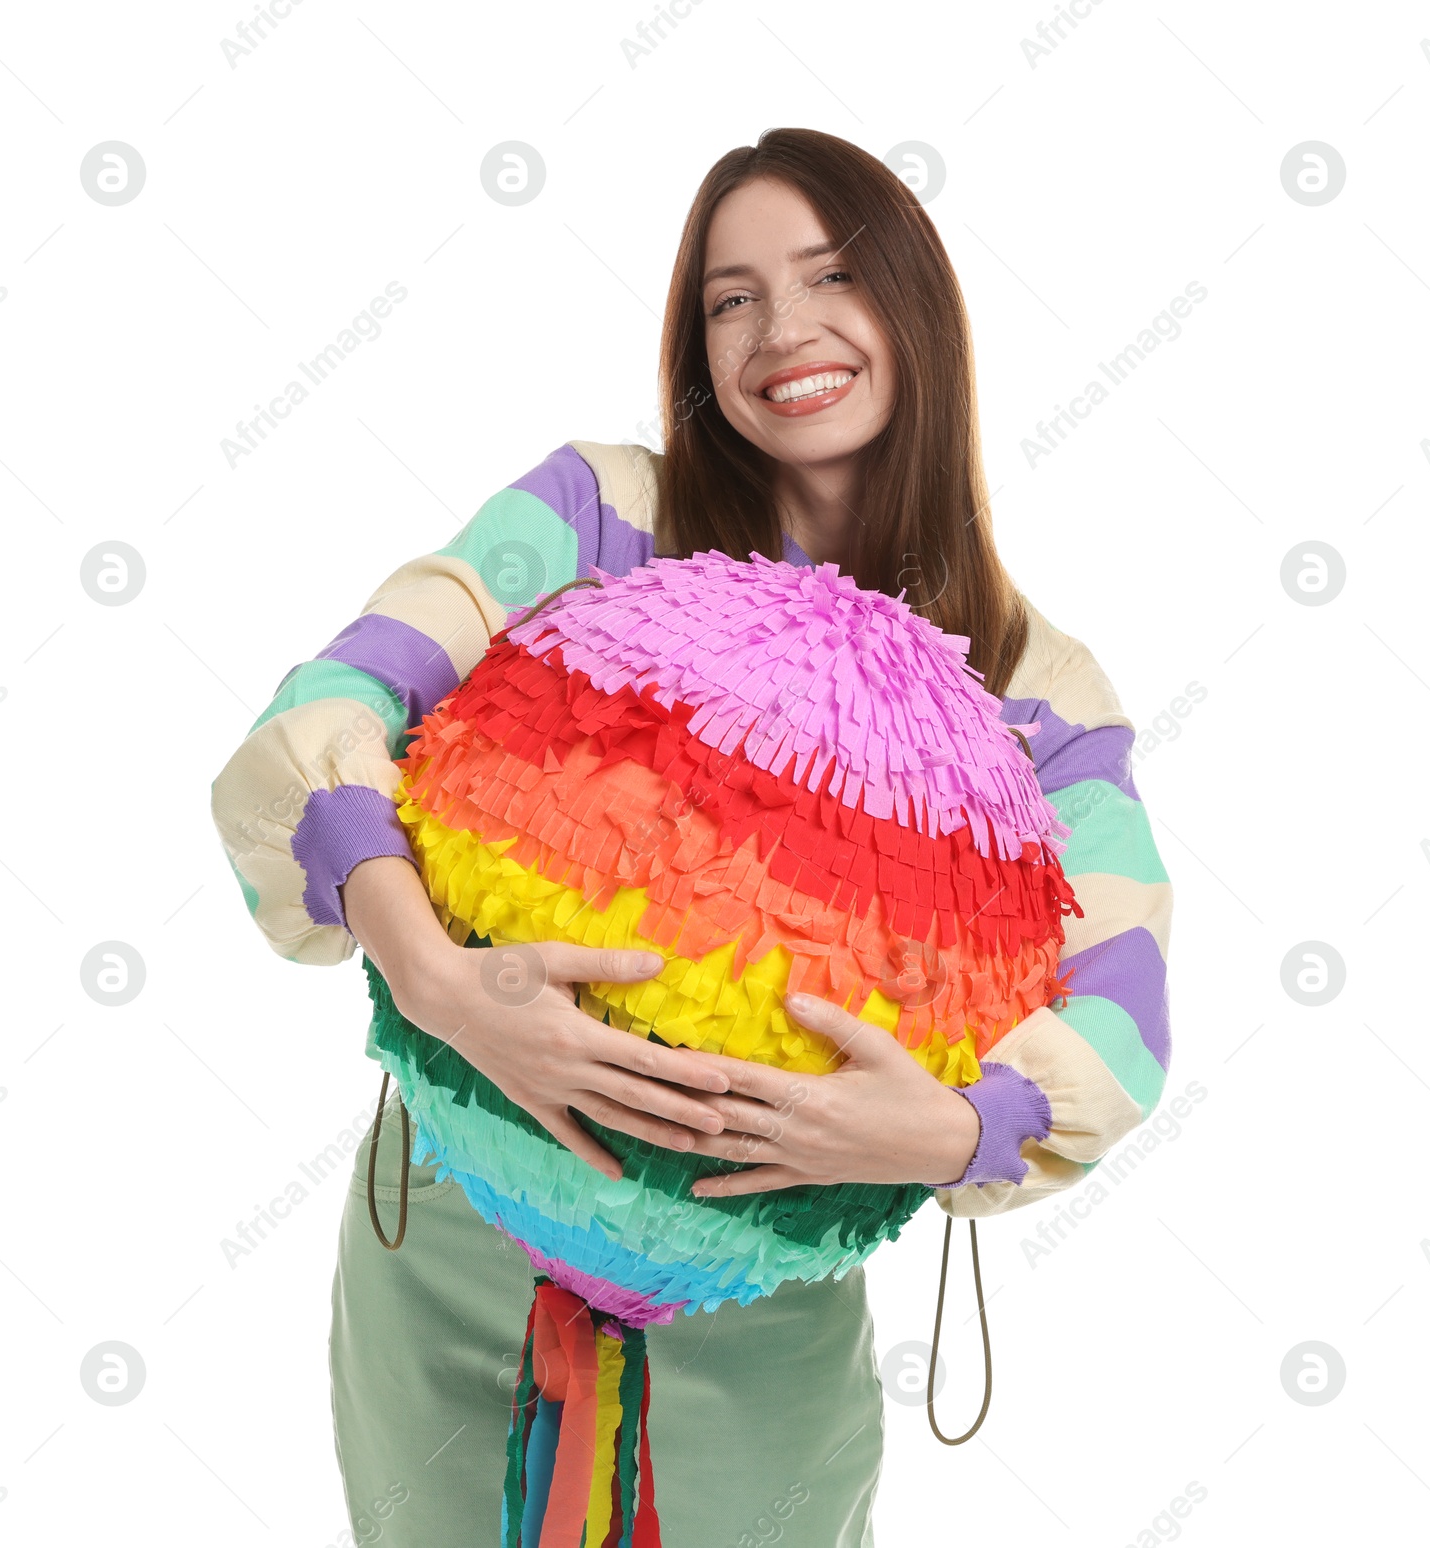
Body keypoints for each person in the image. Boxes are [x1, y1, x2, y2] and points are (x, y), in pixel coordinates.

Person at [210, 127, 1173, 1547]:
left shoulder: (1035, 694)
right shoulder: (599, 515)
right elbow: (338, 703)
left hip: (766, 1271)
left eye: (829, 275)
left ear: (916, 305)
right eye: (732, 298)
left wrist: (950, 1126)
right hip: (458, 1199)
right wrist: (432, 977)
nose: (783, 330)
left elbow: (1126, 1009)